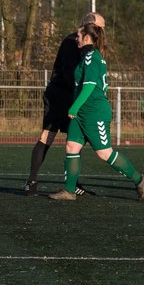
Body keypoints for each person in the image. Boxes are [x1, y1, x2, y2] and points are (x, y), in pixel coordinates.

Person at [49, 21, 144, 201]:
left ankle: (140, 181)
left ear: (86, 37)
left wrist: (74, 107)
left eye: (78, 35)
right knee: (71, 146)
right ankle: (69, 191)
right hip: (81, 113)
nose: (75, 38)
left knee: (104, 153)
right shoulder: (85, 56)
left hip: (94, 113)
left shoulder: (93, 57)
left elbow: (90, 86)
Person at [24, 11, 107, 197]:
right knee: (47, 136)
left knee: (74, 142)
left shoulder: (91, 48)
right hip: (59, 95)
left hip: (73, 96)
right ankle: (31, 181)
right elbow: (71, 73)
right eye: (101, 27)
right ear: (90, 26)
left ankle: (72, 184)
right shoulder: (73, 42)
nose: (103, 32)